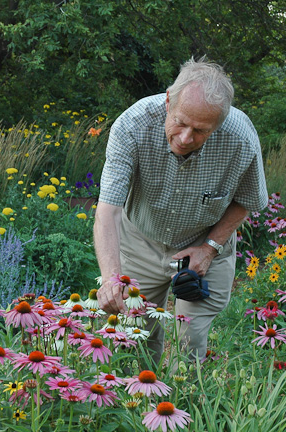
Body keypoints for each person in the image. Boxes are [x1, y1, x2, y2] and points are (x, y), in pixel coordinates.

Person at [93, 56, 268, 367]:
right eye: (181, 122)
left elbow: (249, 200)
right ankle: (138, 406)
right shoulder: (132, 126)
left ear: (220, 122)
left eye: (200, 131)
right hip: (140, 240)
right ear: (169, 100)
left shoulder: (240, 139)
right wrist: (110, 279)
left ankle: (185, 408)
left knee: (189, 341)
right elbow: (108, 209)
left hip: (204, 246)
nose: (186, 138)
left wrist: (210, 249)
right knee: (131, 336)